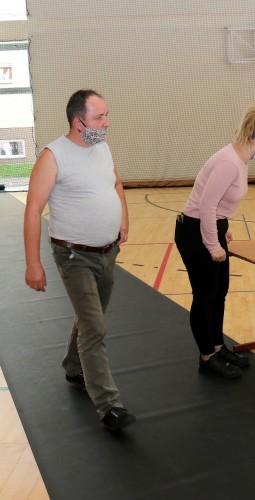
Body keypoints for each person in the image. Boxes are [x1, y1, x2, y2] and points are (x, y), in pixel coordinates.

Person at [24, 89, 136, 430]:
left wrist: (123, 218)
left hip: (107, 252)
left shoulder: (102, 148)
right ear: (79, 121)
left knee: (91, 318)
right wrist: (33, 264)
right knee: (95, 328)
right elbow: (32, 211)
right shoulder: (53, 156)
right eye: (100, 117)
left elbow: (116, 183)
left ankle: (74, 367)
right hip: (74, 256)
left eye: (106, 115)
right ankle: (108, 405)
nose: (107, 123)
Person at [175, 106, 255, 378]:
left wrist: (223, 228)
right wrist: (213, 244)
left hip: (211, 227)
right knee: (205, 295)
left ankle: (218, 346)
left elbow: (218, 207)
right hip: (195, 232)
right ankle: (207, 356)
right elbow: (206, 206)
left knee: (219, 292)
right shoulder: (229, 162)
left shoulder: (240, 159)